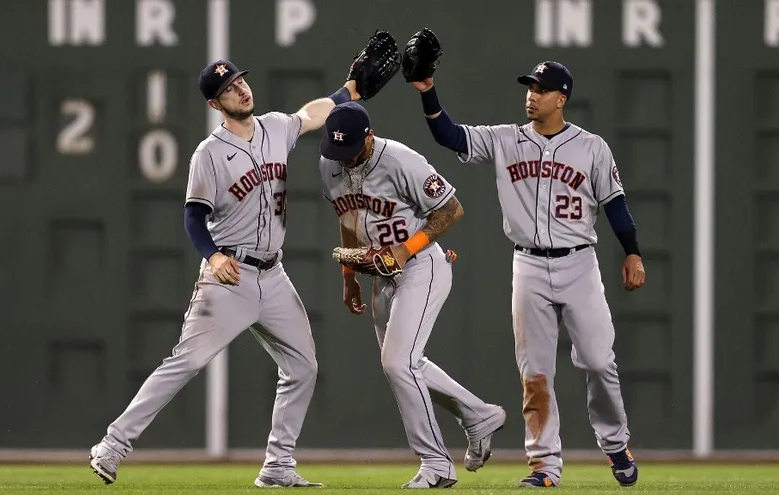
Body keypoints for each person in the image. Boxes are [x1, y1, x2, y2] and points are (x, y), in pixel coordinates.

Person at [88, 59, 363, 488]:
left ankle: (277, 466)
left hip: (273, 276)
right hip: (229, 275)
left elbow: (311, 114)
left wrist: (348, 92)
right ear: (216, 103)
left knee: (303, 367)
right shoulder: (210, 154)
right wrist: (213, 256)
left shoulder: (274, 127)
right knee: (186, 361)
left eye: (240, 81)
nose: (241, 89)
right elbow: (194, 217)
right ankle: (113, 444)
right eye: (230, 88)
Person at [408, 60, 646, 488]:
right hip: (529, 265)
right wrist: (428, 91)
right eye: (530, 87)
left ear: (562, 98)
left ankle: (615, 443)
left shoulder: (591, 147)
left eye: (542, 88)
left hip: (579, 263)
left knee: (598, 360)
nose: (532, 94)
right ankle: (543, 466)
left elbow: (615, 204)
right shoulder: (505, 140)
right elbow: (449, 134)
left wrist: (632, 253)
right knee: (535, 373)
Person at [318, 101, 507, 489]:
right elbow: (348, 219)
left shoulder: (401, 160)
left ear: (368, 137)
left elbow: (451, 210)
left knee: (397, 364)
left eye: (351, 147)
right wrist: (348, 274)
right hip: (379, 277)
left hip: (421, 266)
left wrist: (406, 249)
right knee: (407, 364)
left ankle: (437, 463)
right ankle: (479, 415)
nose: (344, 157)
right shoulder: (330, 161)